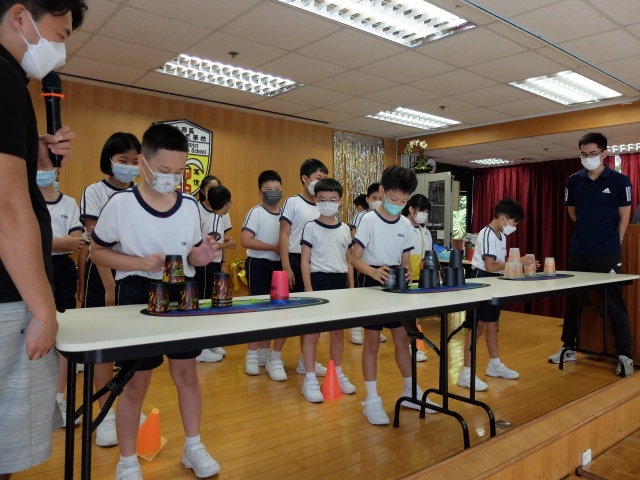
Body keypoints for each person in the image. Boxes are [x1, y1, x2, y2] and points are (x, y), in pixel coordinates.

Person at [90, 123, 220, 479]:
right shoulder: (121, 204)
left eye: (179, 172)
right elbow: (97, 252)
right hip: (137, 293)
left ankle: (193, 446)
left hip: (182, 294)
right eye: (164, 170)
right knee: (135, 382)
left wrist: (203, 255)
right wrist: (137, 263)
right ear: (144, 164)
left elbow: (193, 254)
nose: (172, 179)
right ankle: (127, 461)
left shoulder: (189, 205)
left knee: (187, 374)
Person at [0, 0, 86, 476]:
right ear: (20, 17)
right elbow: (7, 208)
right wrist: (43, 310)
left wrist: (34, 152)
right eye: (61, 33)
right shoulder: (4, 80)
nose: (61, 48)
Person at [351, 166, 440, 425]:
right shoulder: (368, 220)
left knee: (403, 341)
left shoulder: (404, 224)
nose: (397, 205)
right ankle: (371, 400)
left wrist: (407, 272)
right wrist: (374, 271)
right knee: (372, 343)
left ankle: (411, 392)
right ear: (381, 191)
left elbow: (404, 259)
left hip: (397, 284)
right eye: (393, 199)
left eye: (403, 201)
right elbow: (354, 259)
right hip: (371, 282)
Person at [548, 132, 634, 376]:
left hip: (607, 252)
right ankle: (569, 347)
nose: (588, 158)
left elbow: (625, 215)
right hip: (579, 250)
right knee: (573, 300)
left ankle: (625, 355)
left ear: (604, 153)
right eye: (584, 154)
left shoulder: (620, 181)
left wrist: (617, 240)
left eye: (593, 154)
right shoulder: (573, 181)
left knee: (614, 303)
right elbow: (573, 213)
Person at [79, 131, 141, 447]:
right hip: (103, 273)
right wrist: (108, 284)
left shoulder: (141, 194)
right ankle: (104, 415)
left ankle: (130, 408)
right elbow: (96, 242)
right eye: (122, 160)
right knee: (104, 348)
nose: (129, 166)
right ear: (109, 160)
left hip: (134, 275)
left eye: (135, 161)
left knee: (133, 349)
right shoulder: (95, 191)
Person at [456, 198, 531, 391]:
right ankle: (466, 373)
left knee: (493, 324)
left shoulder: (501, 236)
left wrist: (517, 264)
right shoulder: (487, 233)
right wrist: (518, 261)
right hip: (481, 280)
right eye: (514, 223)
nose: (514, 227)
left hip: (494, 281)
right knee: (477, 326)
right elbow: (490, 266)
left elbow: (499, 264)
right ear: (503, 219)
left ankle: (494, 364)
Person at [300, 178, 356, 402]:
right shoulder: (310, 227)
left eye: (332, 200)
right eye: (322, 199)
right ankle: (310, 378)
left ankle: (337, 372)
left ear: (340, 201)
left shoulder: (345, 229)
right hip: (318, 281)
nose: (327, 203)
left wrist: (351, 286)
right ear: (316, 200)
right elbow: (305, 260)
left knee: (337, 333)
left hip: (339, 283)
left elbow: (349, 260)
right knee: (313, 333)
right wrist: (309, 289)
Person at [38, 166, 84, 428]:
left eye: (48, 167)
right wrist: (58, 242)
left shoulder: (69, 203)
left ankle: (58, 399)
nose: (43, 171)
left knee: (62, 334)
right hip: (33, 266)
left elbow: (76, 241)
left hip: (63, 270)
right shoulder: (24, 198)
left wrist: (51, 243)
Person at [280, 158, 329, 377]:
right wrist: (286, 267)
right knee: (286, 314)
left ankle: (305, 360)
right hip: (294, 259)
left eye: (325, 178)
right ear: (305, 179)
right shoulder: (293, 202)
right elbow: (284, 234)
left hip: (315, 263)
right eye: (318, 178)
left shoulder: (323, 205)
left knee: (310, 315)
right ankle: (274, 357)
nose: (321, 182)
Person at [241, 170, 286, 380]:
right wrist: (271, 247)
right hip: (258, 265)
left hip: (280, 266)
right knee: (258, 310)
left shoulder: (285, 213)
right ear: (260, 192)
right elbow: (246, 240)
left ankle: (265, 354)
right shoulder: (256, 212)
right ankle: (251, 354)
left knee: (276, 312)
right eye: (268, 189)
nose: (273, 193)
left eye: (277, 189)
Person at [194, 185, 235, 363]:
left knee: (209, 303)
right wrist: (228, 245)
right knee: (205, 304)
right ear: (227, 204)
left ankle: (208, 342)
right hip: (207, 266)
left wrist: (222, 240)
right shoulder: (217, 218)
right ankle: (200, 348)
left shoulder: (212, 217)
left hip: (209, 265)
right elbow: (211, 244)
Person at [349, 182, 385, 345]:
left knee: (377, 301)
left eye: (380, 198)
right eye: (374, 198)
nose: (378, 201)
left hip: (379, 266)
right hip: (363, 264)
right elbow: (354, 239)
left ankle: (376, 329)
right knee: (361, 299)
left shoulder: (385, 217)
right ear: (368, 199)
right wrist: (360, 262)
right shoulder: (362, 216)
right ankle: (356, 328)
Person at [402, 194, 433, 363]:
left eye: (426, 212)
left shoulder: (425, 231)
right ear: (411, 209)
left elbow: (428, 254)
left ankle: (413, 344)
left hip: (422, 277)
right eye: (422, 211)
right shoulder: (402, 227)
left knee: (417, 313)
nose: (424, 215)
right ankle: (408, 345)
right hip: (407, 276)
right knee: (407, 315)